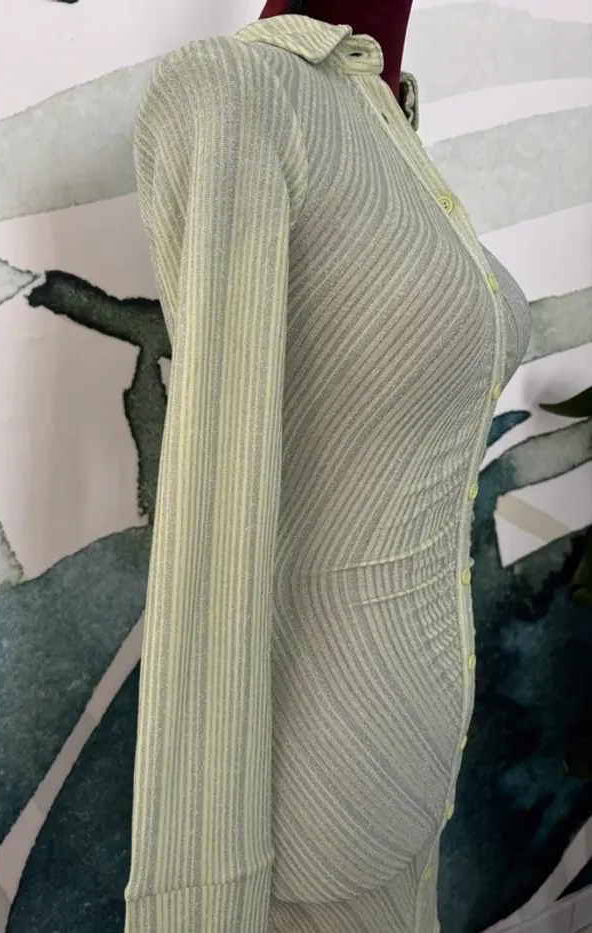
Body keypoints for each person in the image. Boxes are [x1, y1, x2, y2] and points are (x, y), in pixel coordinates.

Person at [124, 4, 532, 931]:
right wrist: (202, 896)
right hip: (316, 789)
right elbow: (214, 515)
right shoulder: (239, 93)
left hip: (415, 748)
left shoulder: (385, 112)